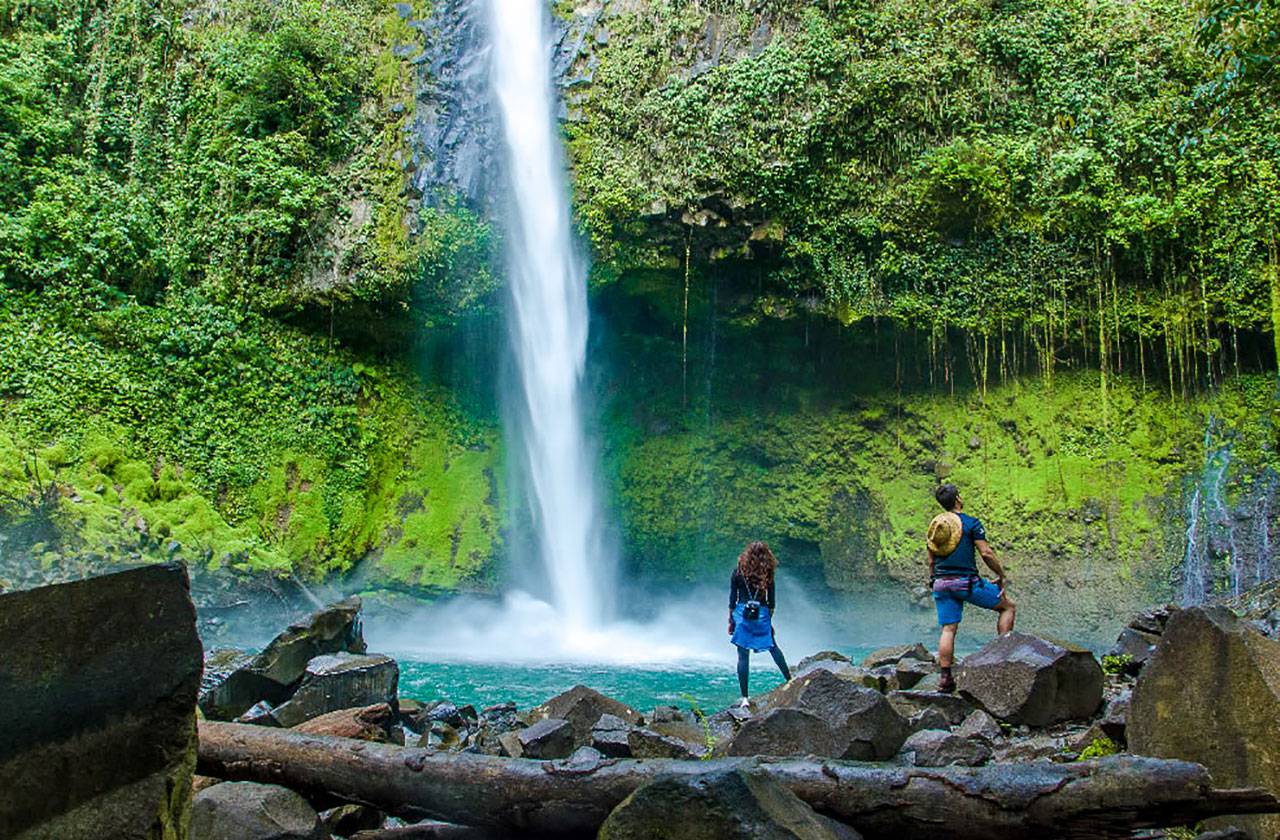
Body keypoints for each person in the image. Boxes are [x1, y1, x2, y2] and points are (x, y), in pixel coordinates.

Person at [926, 483, 1016, 693]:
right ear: (958, 498)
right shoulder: (971, 523)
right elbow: (986, 553)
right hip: (965, 582)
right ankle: (1002, 658)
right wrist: (1000, 575)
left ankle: (945, 679)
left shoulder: (936, 526)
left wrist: (934, 580)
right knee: (1008, 607)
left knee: (948, 629)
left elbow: (931, 562)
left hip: (941, 583)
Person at [728, 540, 792, 708]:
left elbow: (732, 599)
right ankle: (790, 680)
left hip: (742, 613)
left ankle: (744, 698)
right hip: (761, 613)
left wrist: (731, 620)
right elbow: (771, 602)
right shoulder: (768, 574)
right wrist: (768, 621)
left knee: (743, 655)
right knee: (773, 646)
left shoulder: (737, 572)